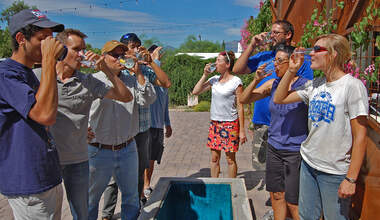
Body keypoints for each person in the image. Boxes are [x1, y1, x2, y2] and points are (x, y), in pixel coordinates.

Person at [34, 29, 133, 220]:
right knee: (46, 214)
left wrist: (105, 69)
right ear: (60, 50)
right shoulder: (39, 77)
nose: (81, 54)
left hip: (77, 159)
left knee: (83, 213)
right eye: (76, 49)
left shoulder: (88, 81)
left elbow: (125, 97)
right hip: (46, 159)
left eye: (84, 49)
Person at [273, 34, 368, 220]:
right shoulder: (315, 85)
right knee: (307, 216)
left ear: (333, 54)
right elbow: (279, 98)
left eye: (317, 49)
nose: (311, 54)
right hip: (309, 163)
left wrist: (351, 179)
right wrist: (292, 70)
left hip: (334, 171)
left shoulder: (352, 86)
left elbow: (360, 136)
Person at [0, 9, 64, 220]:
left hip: (47, 177)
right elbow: (45, 115)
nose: (49, 44)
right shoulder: (5, 74)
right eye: (43, 39)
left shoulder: (29, 74)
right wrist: (49, 62)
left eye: (51, 39)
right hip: (28, 182)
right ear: (21, 39)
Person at [88, 40, 156, 220]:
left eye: (122, 55)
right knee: (90, 199)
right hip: (99, 150)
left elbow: (148, 98)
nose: (119, 59)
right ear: (103, 56)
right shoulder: (94, 80)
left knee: (131, 198)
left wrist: (139, 71)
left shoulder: (132, 80)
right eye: (114, 55)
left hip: (127, 148)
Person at [233, 20, 313, 170]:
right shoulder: (264, 56)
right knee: (264, 170)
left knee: (286, 172)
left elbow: (305, 89)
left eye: (276, 33)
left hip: (287, 124)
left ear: (288, 34)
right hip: (263, 122)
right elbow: (237, 69)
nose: (272, 36)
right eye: (271, 32)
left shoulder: (299, 60)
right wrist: (252, 45)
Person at [240, 44, 308, 220]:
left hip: (295, 151)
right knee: (276, 194)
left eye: (279, 61)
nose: (275, 65)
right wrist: (255, 80)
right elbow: (244, 99)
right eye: (274, 61)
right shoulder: (273, 84)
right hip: (274, 148)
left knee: (294, 201)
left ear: (292, 61)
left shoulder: (305, 86)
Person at [192, 51, 247, 178]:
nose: (215, 63)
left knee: (230, 159)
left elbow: (240, 106)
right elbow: (196, 91)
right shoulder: (214, 80)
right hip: (215, 123)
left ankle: (232, 187)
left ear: (227, 64)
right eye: (216, 60)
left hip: (230, 124)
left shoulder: (236, 82)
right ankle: (214, 186)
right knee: (214, 158)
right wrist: (204, 75)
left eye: (218, 61)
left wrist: (242, 130)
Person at [142, 44, 173, 203]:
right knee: (144, 159)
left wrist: (167, 123)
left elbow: (165, 103)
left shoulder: (162, 79)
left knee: (152, 158)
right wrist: (154, 60)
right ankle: (141, 189)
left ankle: (147, 186)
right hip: (146, 125)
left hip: (158, 125)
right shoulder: (146, 74)